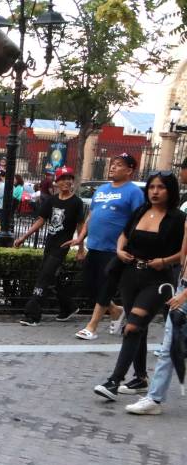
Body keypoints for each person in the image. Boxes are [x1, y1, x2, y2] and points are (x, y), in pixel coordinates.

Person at [93, 172, 185, 400]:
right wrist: (119, 250)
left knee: (132, 327)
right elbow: (124, 235)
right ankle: (141, 377)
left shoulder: (178, 219)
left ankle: (114, 381)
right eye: (152, 187)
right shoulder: (141, 211)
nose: (155, 191)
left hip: (158, 280)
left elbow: (184, 253)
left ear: (170, 190)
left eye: (161, 187)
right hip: (129, 275)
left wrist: (164, 261)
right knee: (138, 328)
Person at [70, 154, 147, 340]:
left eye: (118, 165)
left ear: (129, 170)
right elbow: (91, 215)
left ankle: (92, 326)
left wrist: (128, 246)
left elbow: (137, 220)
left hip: (114, 250)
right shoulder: (101, 189)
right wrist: (81, 237)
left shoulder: (134, 192)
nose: (112, 167)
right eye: (112, 164)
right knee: (89, 286)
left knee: (106, 287)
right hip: (94, 246)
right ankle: (116, 311)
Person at [15, 168, 86, 325]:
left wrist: (81, 249)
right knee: (52, 277)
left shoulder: (77, 203)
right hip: (49, 244)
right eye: (63, 178)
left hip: (62, 246)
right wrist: (23, 237)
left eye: (70, 178)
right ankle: (69, 306)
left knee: (44, 277)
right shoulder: (51, 201)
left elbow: (81, 226)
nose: (67, 181)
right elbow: (41, 220)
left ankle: (32, 315)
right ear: (57, 182)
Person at [126, 243, 187, 415]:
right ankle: (154, 398)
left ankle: (154, 398)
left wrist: (183, 294)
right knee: (169, 348)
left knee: (170, 348)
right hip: (183, 286)